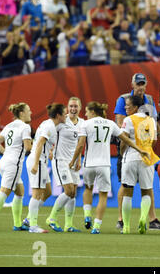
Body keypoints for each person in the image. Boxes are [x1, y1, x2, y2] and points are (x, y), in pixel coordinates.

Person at [69, 101, 149, 234]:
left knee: (88, 188)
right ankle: (96, 226)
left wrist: (73, 161)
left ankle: (87, 215)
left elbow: (80, 144)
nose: (86, 114)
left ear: (93, 112)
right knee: (103, 195)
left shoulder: (85, 124)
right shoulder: (110, 123)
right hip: (104, 165)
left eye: (87, 112)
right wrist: (139, 149)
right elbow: (125, 139)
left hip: (89, 164)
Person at [113, 73, 160, 232]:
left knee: (129, 186)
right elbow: (119, 122)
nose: (141, 87)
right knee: (141, 187)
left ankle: (144, 221)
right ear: (133, 84)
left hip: (131, 152)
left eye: (143, 84)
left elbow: (123, 130)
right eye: (138, 84)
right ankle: (122, 219)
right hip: (143, 153)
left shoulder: (148, 101)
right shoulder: (123, 99)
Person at [0, 103, 32, 231]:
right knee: (4, 191)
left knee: (20, 191)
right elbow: (28, 147)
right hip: (13, 164)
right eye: (28, 110)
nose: (30, 112)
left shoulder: (9, 126)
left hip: (4, 162)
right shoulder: (25, 127)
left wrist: (7, 153)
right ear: (21, 113)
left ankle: (17, 224)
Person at [120, 95, 160, 234]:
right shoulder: (151, 121)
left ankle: (126, 226)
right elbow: (154, 141)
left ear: (136, 107)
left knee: (127, 192)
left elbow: (124, 139)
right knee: (146, 191)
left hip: (130, 157)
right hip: (147, 159)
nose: (125, 107)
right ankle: (143, 218)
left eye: (128, 105)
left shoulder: (128, 120)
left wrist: (121, 152)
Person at [25, 103, 67, 233]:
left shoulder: (48, 124)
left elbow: (42, 144)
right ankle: (33, 225)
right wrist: (36, 163)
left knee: (47, 191)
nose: (66, 115)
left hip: (41, 160)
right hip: (37, 161)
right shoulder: (49, 126)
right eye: (64, 113)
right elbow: (39, 144)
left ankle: (28, 220)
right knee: (37, 194)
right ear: (59, 115)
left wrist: (48, 153)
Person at [45, 97, 84, 233]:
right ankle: (51, 218)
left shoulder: (82, 123)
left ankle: (69, 225)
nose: (73, 109)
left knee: (73, 193)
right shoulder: (62, 121)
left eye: (76, 106)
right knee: (68, 191)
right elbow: (48, 134)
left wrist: (79, 160)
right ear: (67, 108)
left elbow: (80, 144)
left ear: (80, 107)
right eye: (71, 106)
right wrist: (49, 150)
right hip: (60, 160)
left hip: (73, 162)